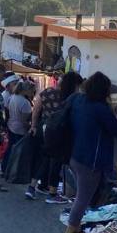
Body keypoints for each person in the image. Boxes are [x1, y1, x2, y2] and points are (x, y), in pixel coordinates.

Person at [59, 72, 117, 233]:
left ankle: (76, 229)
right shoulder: (101, 108)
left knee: (82, 195)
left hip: (74, 155)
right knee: (83, 197)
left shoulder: (77, 100)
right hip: (91, 160)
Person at [32, 72, 84, 203]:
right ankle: (52, 193)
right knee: (56, 162)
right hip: (61, 132)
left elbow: (36, 109)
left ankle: (33, 187)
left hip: (45, 128)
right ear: (75, 84)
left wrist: (33, 125)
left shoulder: (47, 91)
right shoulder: (72, 97)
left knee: (44, 159)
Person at [2, 80, 35, 174]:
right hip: (20, 129)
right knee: (18, 152)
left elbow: (7, 111)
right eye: (32, 91)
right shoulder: (25, 103)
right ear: (27, 90)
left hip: (11, 125)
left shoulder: (12, 97)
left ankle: (5, 169)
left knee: (10, 149)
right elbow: (24, 121)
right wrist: (30, 127)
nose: (33, 93)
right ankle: (15, 171)